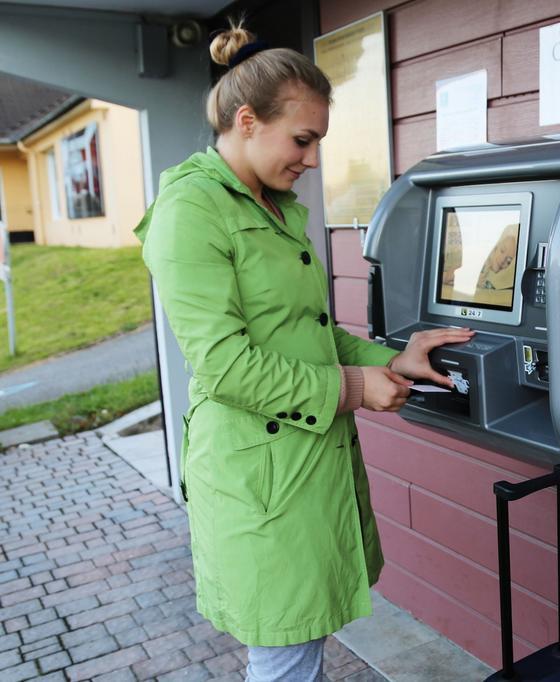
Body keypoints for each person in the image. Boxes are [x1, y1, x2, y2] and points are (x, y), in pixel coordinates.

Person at [134, 20, 473, 682]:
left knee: (300, 646)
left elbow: (313, 335)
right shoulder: (191, 210)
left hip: (305, 461)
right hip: (258, 474)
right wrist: (351, 389)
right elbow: (226, 365)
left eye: (317, 140)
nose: (313, 158)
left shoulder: (278, 206)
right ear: (246, 121)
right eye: (303, 138)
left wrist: (389, 361)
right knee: (284, 654)